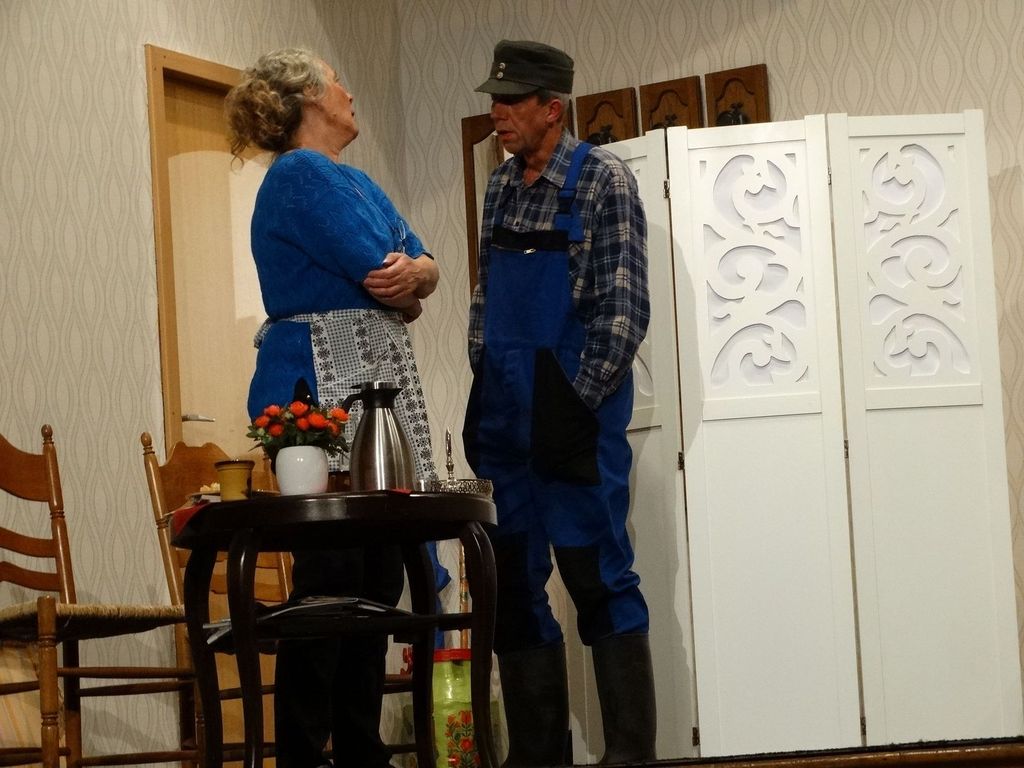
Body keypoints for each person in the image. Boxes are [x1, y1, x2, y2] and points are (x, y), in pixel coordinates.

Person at [225, 48, 439, 768]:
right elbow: (380, 264)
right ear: (311, 95)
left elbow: (422, 262)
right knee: (333, 575)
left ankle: (358, 745)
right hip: (316, 388)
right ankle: (302, 748)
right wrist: (412, 279)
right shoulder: (300, 175)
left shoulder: (355, 178)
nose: (350, 91)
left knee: (376, 574)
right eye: (339, 79)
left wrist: (419, 274)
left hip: (371, 381)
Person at [463, 40, 656, 766]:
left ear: (554, 107)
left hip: (572, 417)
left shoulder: (604, 180)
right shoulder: (500, 186)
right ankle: (538, 755)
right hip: (503, 416)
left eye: (512, 101)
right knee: (512, 584)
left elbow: (622, 311)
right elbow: (485, 296)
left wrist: (574, 404)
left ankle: (630, 753)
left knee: (597, 575)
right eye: (494, 100)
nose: (498, 112)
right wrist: (485, 371)